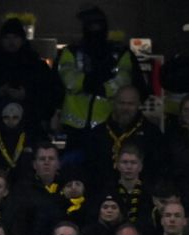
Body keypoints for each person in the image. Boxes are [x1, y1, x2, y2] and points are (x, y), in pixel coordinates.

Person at [56, 5, 146, 147]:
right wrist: (87, 82)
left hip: (109, 124)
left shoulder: (120, 53)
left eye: (98, 25)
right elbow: (66, 78)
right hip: (75, 126)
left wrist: (105, 88)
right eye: (91, 25)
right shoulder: (71, 52)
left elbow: (126, 79)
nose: (95, 29)